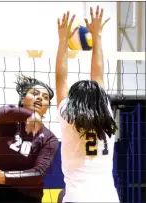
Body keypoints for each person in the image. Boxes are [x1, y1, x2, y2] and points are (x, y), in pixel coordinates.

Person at [55, 6, 119, 203]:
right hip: (108, 198)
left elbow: (60, 78)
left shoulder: (67, 114)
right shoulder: (106, 111)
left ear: (73, 100)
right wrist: (97, 35)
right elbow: (98, 75)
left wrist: (63, 41)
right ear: (100, 99)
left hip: (77, 198)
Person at [0, 75, 59, 203]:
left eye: (45, 98)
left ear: (47, 108)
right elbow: (3, 112)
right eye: (35, 93)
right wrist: (30, 114)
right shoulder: (6, 123)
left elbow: (38, 173)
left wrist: (3, 176)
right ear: (22, 99)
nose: (40, 98)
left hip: (28, 200)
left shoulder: (50, 138)